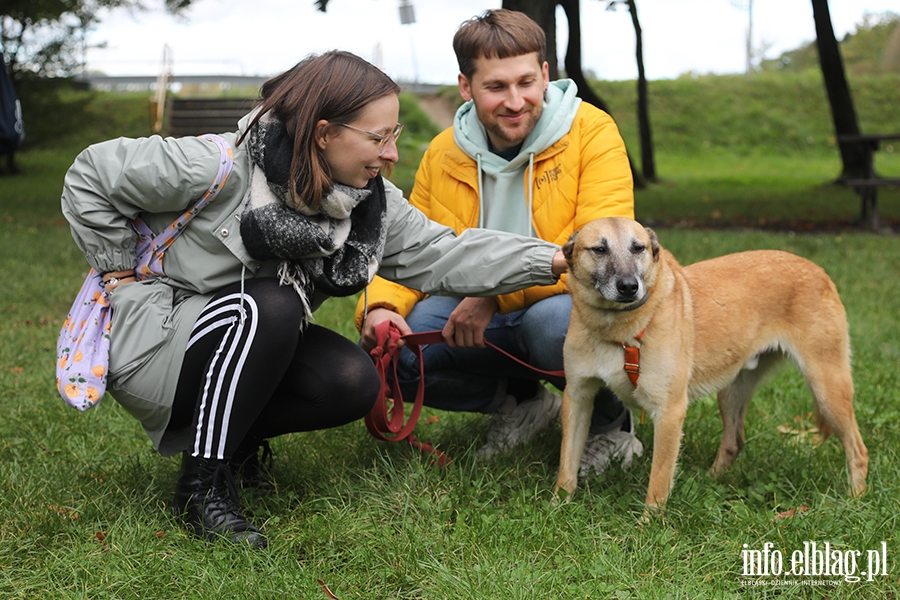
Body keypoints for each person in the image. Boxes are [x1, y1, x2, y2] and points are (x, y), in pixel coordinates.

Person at [60, 50, 567, 549]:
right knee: (271, 303)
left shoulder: (364, 203)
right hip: (153, 342)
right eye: (378, 138)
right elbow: (90, 174)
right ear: (324, 134)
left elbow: (444, 253)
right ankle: (203, 489)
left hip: (241, 338)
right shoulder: (218, 167)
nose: (391, 154)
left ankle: (232, 443)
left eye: (395, 136)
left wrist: (556, 260)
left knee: (352, 382)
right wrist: (120, 276)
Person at [356, 9, 643, 472]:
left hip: (567, 301)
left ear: (546, 74)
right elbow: (408, 247)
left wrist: (492, 294)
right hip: (474, 299)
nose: (515, 101)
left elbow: (599, 259)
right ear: (466, 86)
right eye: (496, 87)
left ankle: (613, 427)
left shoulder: (593, 131)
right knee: (391, 355)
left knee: (549, 328)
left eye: (527, 82)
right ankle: (523, 404)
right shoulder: (444, 151)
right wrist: (382, 308)